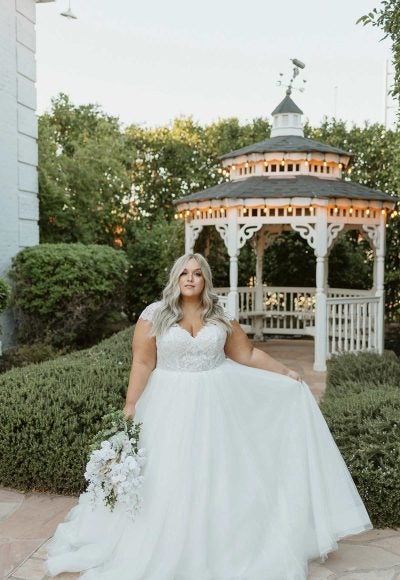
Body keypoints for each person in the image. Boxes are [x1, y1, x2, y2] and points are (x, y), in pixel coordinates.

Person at [45, 253, 372, 580]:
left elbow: (246, 353)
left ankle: (222, 544)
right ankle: (171, 543)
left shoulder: (219, 315)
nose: (190, 278)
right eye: (184, 273)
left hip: (217, 403)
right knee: (169, 472)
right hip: (168, 404)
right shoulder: (155, 315)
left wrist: (285, 371)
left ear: (205, 280)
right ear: (175, 278)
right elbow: (142, 363)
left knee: (219, 471)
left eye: (197, 273)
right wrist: (131, 405)